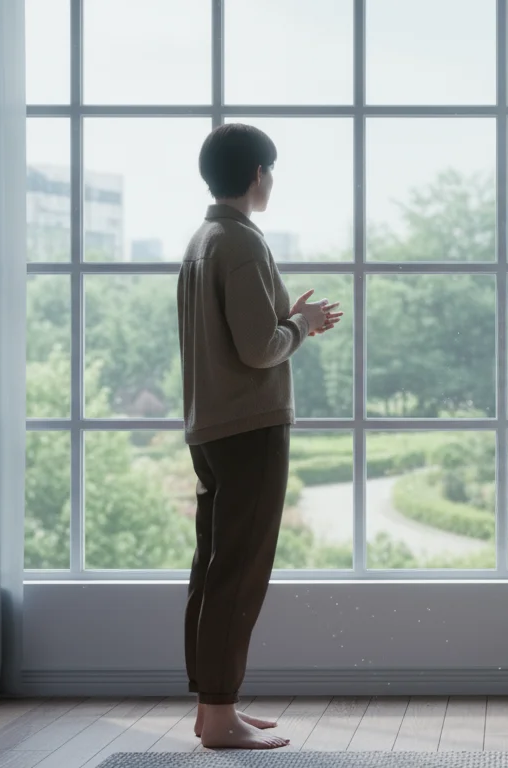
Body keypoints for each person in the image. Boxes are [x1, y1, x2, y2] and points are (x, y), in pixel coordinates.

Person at [177, 123, 340, 750]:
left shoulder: (203, 239)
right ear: (256, 175)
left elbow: (233, 339)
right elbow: (259, 348)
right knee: (239, 574)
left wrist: (289, 321)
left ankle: (211, 707)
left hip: (210, 428)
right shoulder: (241, 243)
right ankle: (219, 717)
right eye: (270, 169)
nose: (272, 179)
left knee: (213, 570)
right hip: (250, 429)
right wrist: (298, 325)